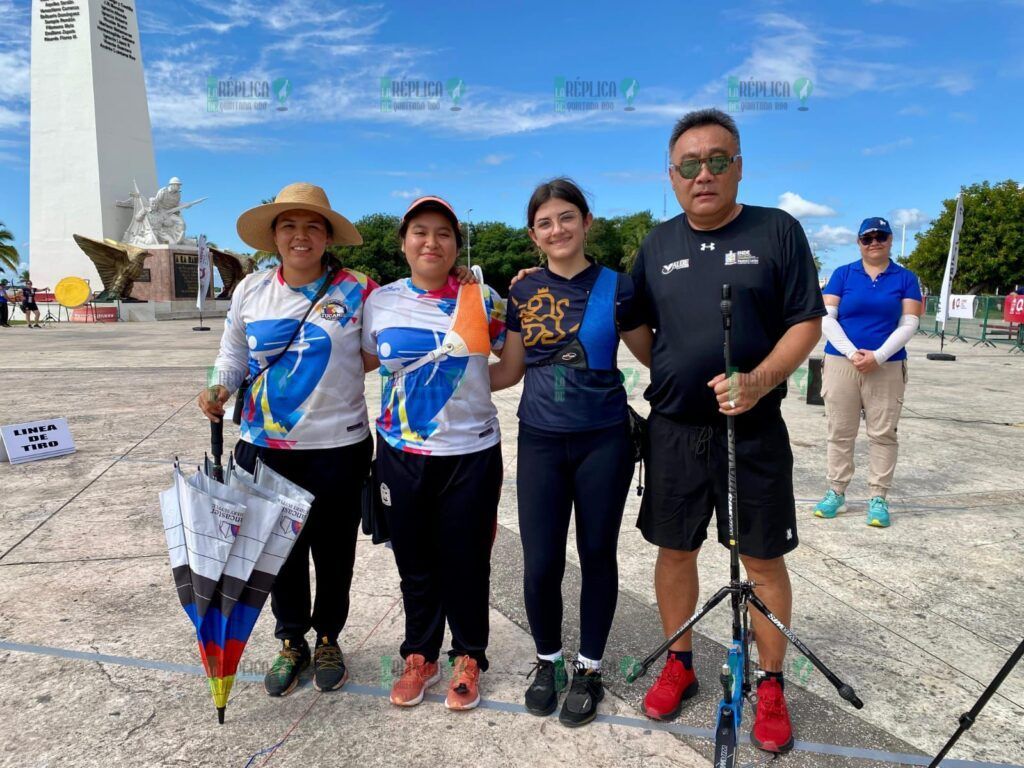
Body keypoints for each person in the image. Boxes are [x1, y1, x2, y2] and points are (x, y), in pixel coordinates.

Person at [631, 108, 824, 754]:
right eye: (689, 164)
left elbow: (805, 323)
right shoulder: (656, 245)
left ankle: (770, 684)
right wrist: (669, 367)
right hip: (676, 432)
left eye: (718, 160)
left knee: (764, 559)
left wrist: (759, 379)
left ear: (739, 167)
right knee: (675, 550)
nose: (703, 174)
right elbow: (634, 323)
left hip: (755, 432)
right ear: (672, 175)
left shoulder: (777, 231)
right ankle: (680, 661)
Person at [197, 182, 377, 698]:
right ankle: (291, 639)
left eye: (313, 226)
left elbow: (380, 346)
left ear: (327, 237)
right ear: (273, 236)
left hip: (340, 447)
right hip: (264, 446)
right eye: (289, 226)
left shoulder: (359, 289)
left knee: (334, 549)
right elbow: (232, 357)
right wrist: (218, 387)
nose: (301, 236)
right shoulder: (250, 290)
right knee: (278, 551)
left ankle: (328, 637)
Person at [489, 178, 652, 727]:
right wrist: (445, 374)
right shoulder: (520, 291)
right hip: (539, 439)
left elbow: (657, 355)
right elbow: (509, 371)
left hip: (603, 440)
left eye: (565, 217)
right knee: (540, 562)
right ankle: (548, 660)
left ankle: (589, 668)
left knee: (597, 556)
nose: (556, 229)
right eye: (544, 222)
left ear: (586, 222)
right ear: (533, 234)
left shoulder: (618, 286)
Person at [361, 195, 506, 712]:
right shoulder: (378, 301)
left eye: (443, 233)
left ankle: (469, 655)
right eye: (420, 232)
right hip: (400, 451)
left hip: (471, 451)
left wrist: (466, 385)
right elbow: (362, 359)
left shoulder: (482, 296)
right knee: (414, 559)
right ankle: (420, 654)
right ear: (403, 244)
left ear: (456, 244)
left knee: (467, 560)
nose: (431, 241)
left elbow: (506, 367)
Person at [815, 217, 922, 527]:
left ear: (890, 240)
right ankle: (836, 491)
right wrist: (852, 352)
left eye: (881, 236)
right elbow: (827, 317)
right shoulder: (843, 274)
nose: (875, 242)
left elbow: (909, 323)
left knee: (883, 433)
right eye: (868, 238)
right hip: (840, 363)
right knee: (840, 431)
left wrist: (878, 355)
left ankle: (878, 497)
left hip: (887, 365)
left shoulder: (905, 277)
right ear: (859, 242)